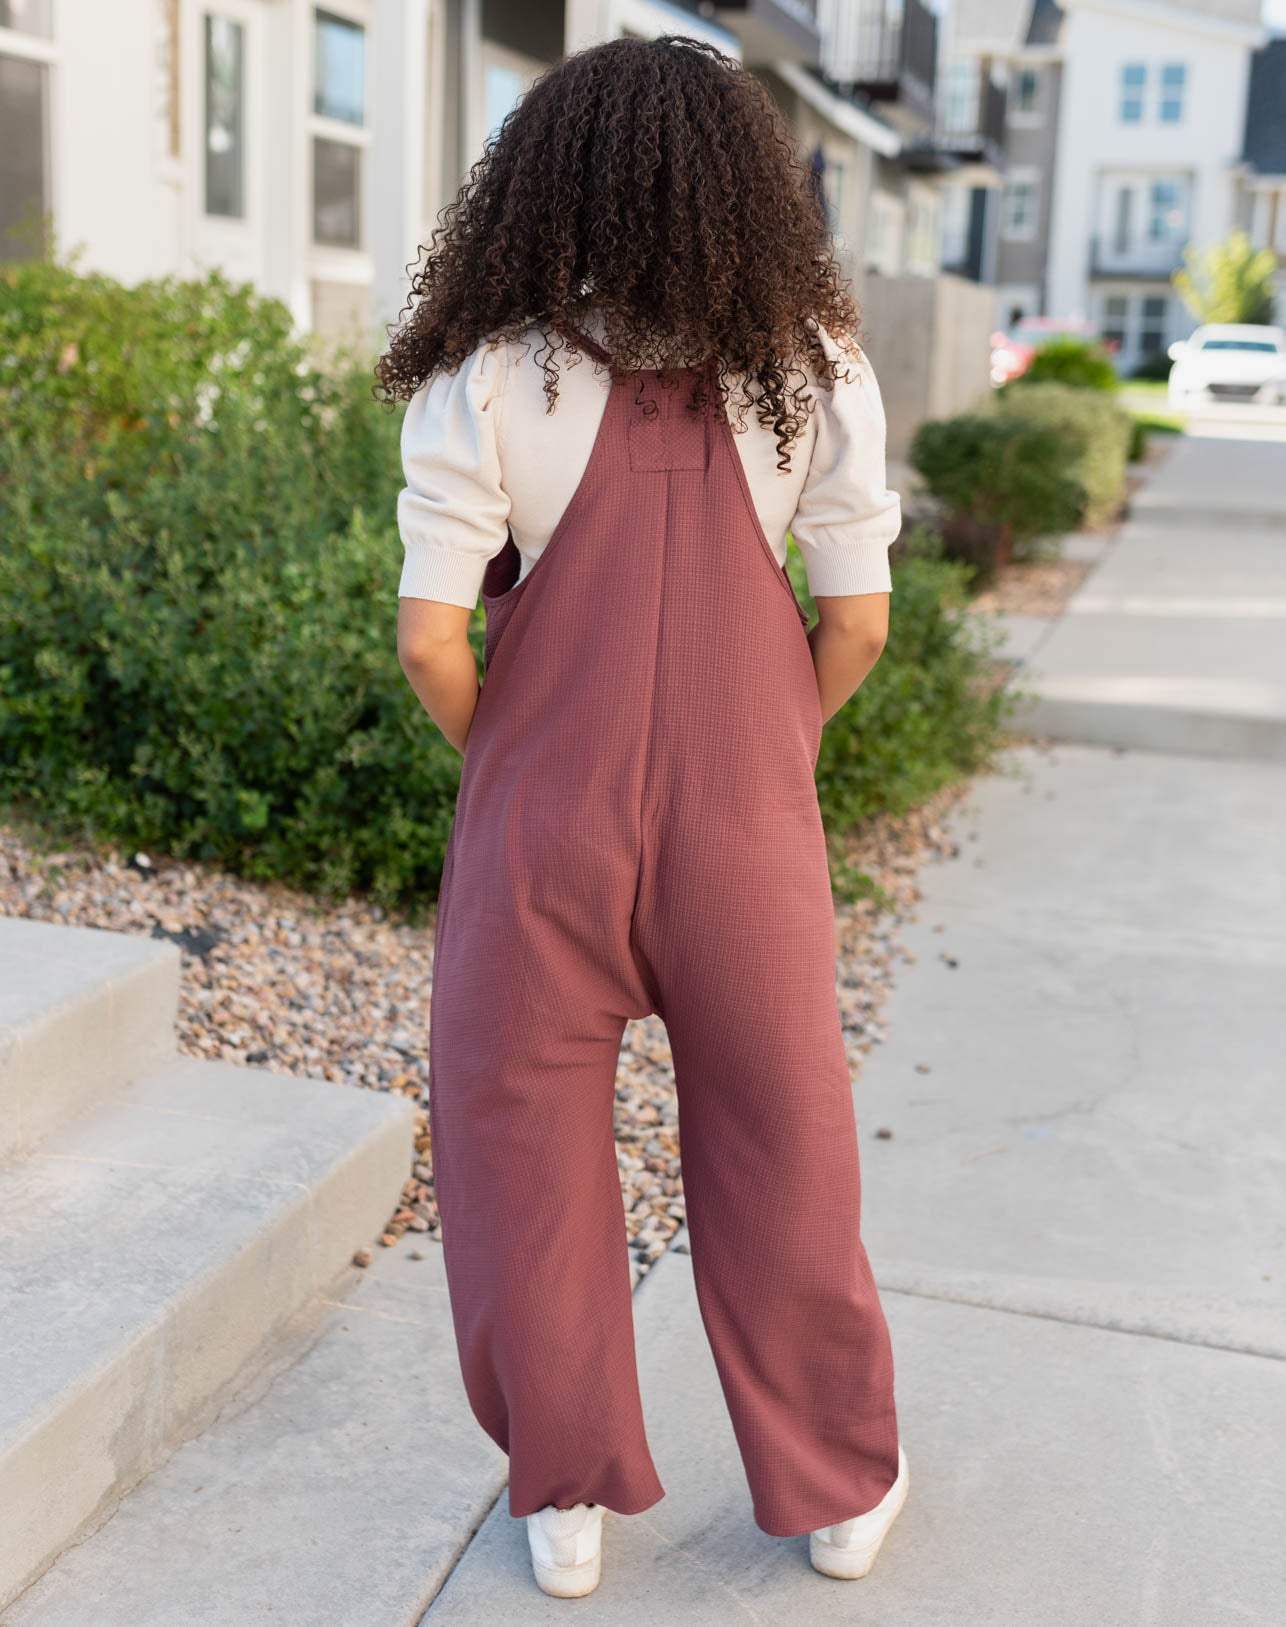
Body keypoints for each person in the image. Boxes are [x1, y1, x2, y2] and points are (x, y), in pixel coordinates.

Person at [376, 33, 908, 1600]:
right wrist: (759, 759)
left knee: (517, 1141)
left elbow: (427, 639)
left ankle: (566, 1496)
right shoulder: (810, 364)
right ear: (747, 192)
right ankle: (833, 1489)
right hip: (746, 820)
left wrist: (520, 770)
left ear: (544, 188)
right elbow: (859, 620)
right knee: (782, 1140)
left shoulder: (495, 374)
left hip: (545, 817)